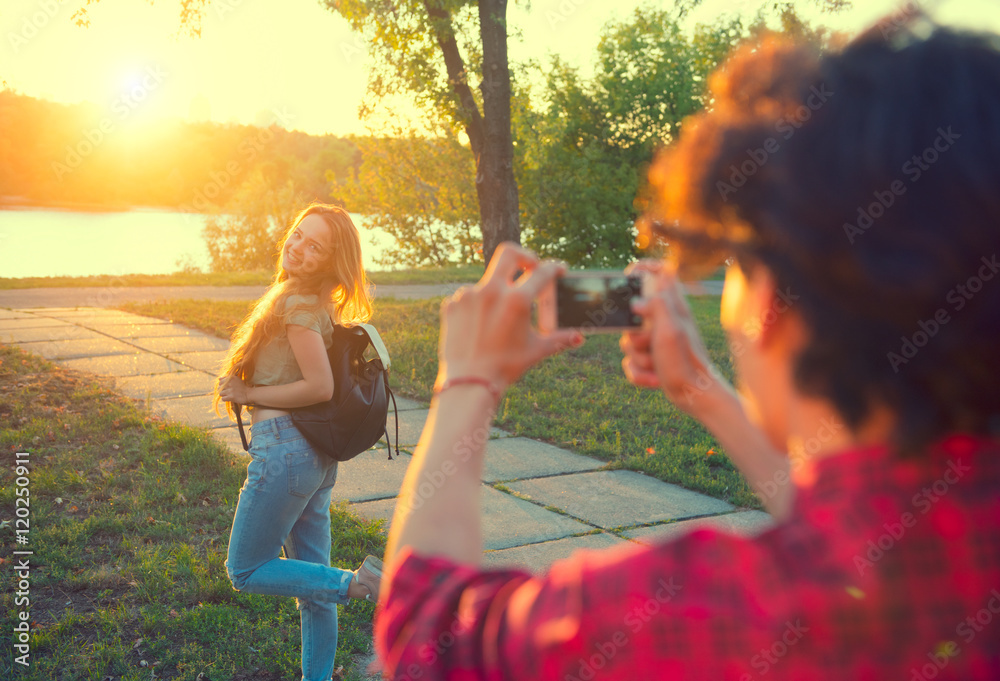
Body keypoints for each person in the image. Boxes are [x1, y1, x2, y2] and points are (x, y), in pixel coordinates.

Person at [373, 21, 1000, 680]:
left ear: (774, 310)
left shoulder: (696, 616)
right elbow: (870, 547)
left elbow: (428, 632)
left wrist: (467, 380)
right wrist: (704, 390)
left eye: (736, 267)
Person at [215, 203, 384, 681]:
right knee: (313, 591)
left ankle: (361, 585)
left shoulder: (299, 304)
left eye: (316, 246)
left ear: (332, 261)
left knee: (245, 570)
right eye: (297, 236)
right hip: (310, 455)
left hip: (286, 450)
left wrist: (248, 392)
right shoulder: (306, 299)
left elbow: (319, 387)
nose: (299, 248)